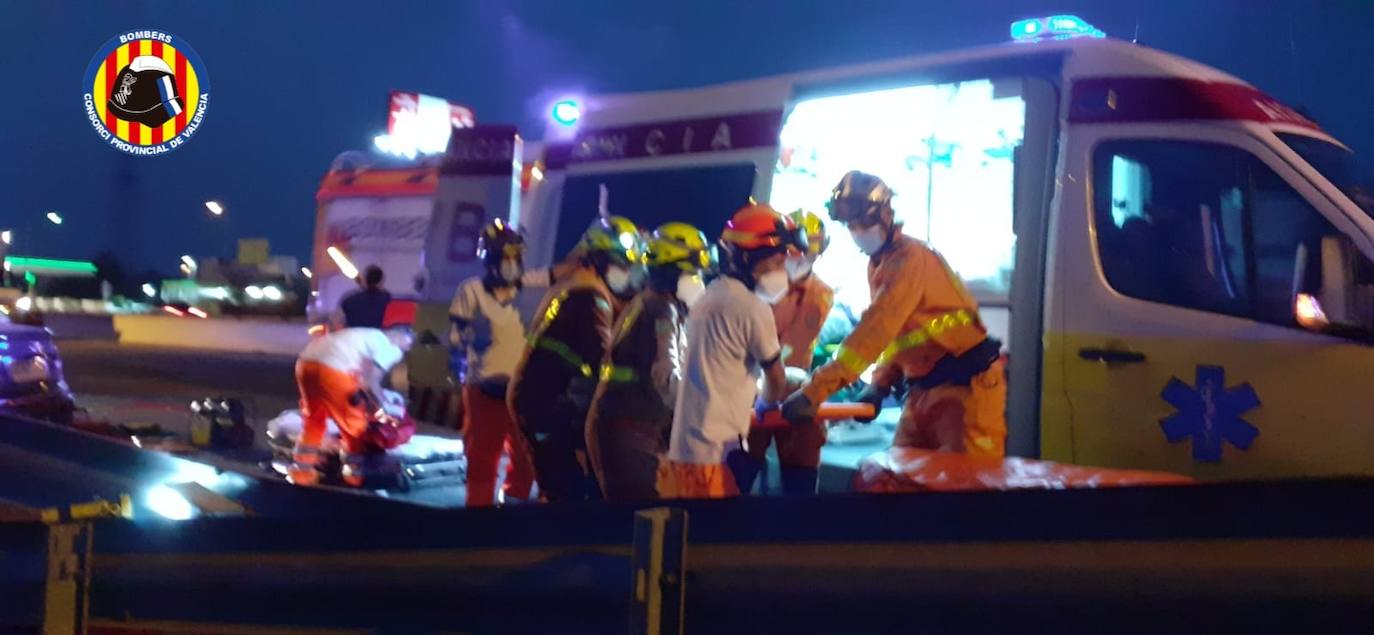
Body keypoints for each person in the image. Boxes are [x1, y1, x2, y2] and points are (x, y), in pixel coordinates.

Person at [782, 171, 1006, 458]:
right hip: (922, 390)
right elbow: (898, 337)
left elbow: (876, 329)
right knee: (900, 479)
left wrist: (816, 391)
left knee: (965, 488)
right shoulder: (879, 265)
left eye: (863, 221)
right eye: (851, 224)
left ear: (886, 214)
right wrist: (880, 383)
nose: (857, 230)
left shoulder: (911, 258)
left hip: (965, 390)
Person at [658, 204, 801, 499]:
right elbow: (776, 380)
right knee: (716, 543)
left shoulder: (709, 296)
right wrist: (766, 406)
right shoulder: (752, 308)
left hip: (681, 455)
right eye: (776, 262)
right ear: (748, 257)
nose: (781, 270)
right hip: (716, 459)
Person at [509, 216, 645, 502]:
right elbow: (605, 360)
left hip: (545, 399)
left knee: (567, 484)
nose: (626, 272)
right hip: (543, 404)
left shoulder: (579, 286)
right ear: (597, 260)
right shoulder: (589, 296)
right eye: (620, 264)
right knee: (564, 492)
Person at [585, 222, 710, 502]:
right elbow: (666, 378)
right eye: (693, 272)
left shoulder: (657, 305)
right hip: (629, 434)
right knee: (640, 521)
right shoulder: (660, 311)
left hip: (628, 429)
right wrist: (706, 404)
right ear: (670, 272)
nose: (699, 280)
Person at [449, 219, 556, 507]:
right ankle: (478, 516)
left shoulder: (529, 284)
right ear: (489, 258)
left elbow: (563, 272)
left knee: (526, 456)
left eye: (515, 257)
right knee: (482, 457)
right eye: (504, 257)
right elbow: (456, 336)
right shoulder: (470, 290)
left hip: (520, 389)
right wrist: (470, 336)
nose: (510, 263)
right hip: (483, 386)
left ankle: (514, 506)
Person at [737, 209, 835, 495]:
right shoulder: (761, 286)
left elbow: (793, 345)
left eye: (807, 254)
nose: (800, 259)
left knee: (800, 488)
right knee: (737, 479)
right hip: (756, 395)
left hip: (795, 396)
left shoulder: (819, 294)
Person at [290, 300, 417, 486]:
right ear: (402, 336)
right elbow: (371, 380)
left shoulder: (366, 335)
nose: (407, 350)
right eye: (409, 345)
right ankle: (355, 477)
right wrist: (384, 407)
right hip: (334, 369)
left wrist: (372, 398)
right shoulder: (390, 347)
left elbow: (361, 381)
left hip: (306, 363)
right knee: (354, 426)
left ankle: (302, 473)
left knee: (314, 420)